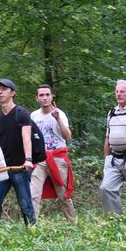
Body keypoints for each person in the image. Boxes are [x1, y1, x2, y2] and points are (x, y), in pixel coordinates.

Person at [0, 78, 36, 225]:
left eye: (4, 89)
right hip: (2, 168)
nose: (0, 92)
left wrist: (28, 159)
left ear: (12, 93)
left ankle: (32, 231)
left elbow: (27, 138)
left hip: (20, 168)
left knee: (25, 204)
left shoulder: (22, 113)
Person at [30, 84, 76, 223]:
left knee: (63, 194)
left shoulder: (59, 113)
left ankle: (72, 223)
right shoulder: (34, 115)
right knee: (33, 193)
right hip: (40, 159)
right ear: (37, 98)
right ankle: (32, 225)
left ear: (52, 96)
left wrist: (57, 119)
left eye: (47, 95)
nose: (45, 98)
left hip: (57, 158)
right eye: (41, 95)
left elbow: (68, 137)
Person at [100, 79, 126, 214]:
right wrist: (106, 159)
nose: (118, 94)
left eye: (122, 91)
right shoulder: (112, 112)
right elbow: (108, 138)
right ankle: (115, 222)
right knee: (107, 188)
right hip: (114, 158)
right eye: (117, 91)